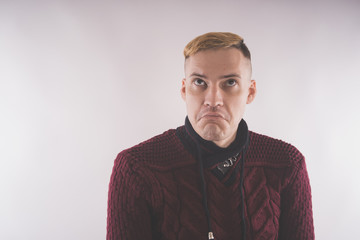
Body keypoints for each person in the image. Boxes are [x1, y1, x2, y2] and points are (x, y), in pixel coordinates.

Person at [107, 32, 314, 240]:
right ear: (184, 89)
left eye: (230, 83)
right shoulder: (137, 168)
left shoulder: (286, 163)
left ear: (250, 92)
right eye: (199, 82)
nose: (213, 100)